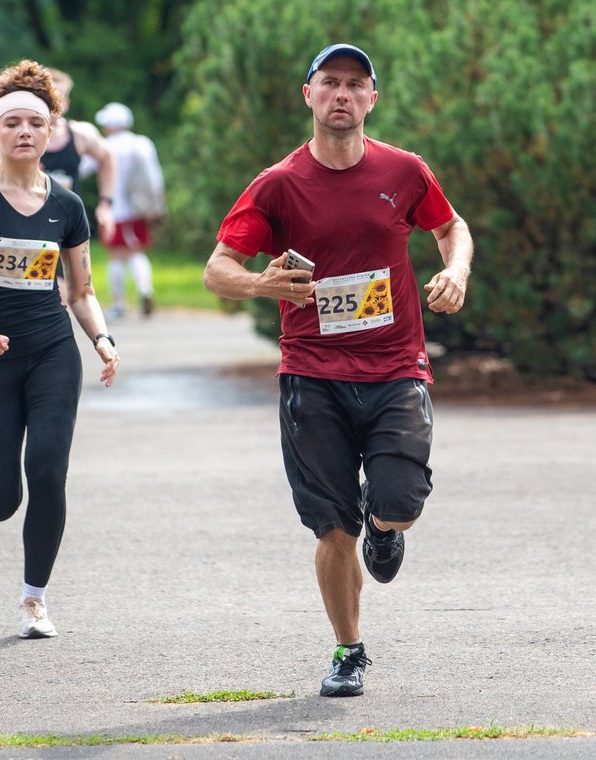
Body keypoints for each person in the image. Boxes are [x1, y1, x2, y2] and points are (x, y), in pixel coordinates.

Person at [203, 43, 473, 697]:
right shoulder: (278, 184)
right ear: (309, 95)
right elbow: (218, 269)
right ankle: (349, 650)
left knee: (398, 503)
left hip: (395, 368)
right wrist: (264, 286)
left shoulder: (404, 171)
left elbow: (451, 226)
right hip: (312, 374)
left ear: (372, 99)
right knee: (331, 526)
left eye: (356, 84)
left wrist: (456, 268)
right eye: (330, 83)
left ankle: (385, 529)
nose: (342, 95)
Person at [0, 59, 120, 639]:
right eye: (10, 122)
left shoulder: (67, 206)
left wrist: (103, 340)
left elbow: (82, 290)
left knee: (48, 469)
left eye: (33, 123)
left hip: (50, 353)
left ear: (50, 132)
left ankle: (33, 600)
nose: (22, 132)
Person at [0, 68, 116, 304]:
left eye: (60, 97)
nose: (57, 102)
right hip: (27, 226)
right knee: (40, 294)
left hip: (64, 223)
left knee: (73, 293)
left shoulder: (81, 134)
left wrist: (106, 204)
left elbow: (107, 159)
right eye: (47, 95)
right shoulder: (16, 136)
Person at [94, 102, 166, 319]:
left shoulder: (104, 145)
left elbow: (83, 167)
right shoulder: (141, 143)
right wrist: (158, 206)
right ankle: (145, 290)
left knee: (116, 257)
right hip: (137, 208)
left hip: (113, 210)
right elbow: (154, 178)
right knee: (136, 252)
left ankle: (118, 303)